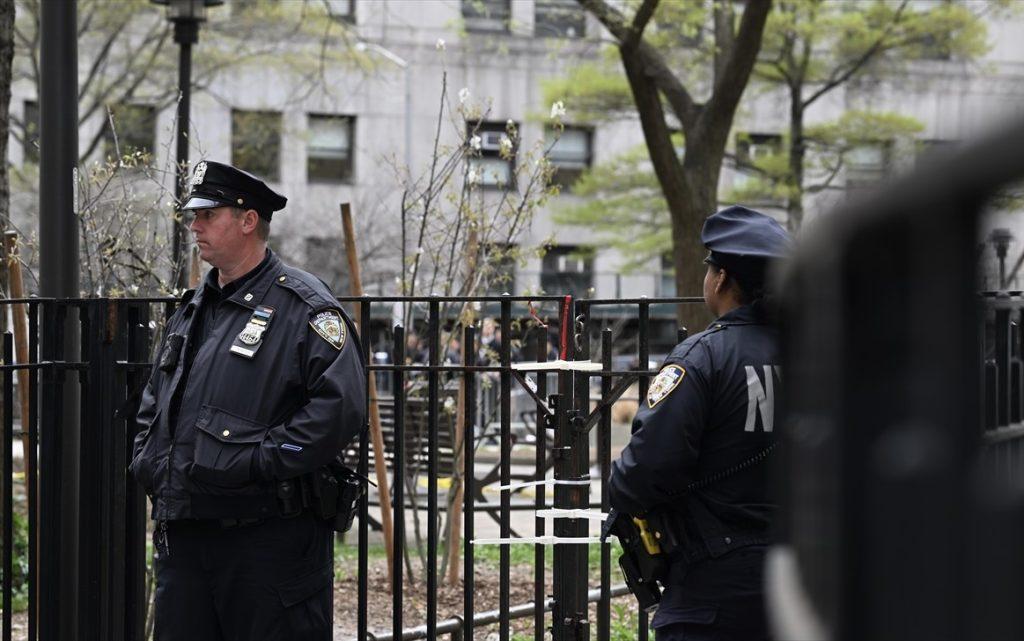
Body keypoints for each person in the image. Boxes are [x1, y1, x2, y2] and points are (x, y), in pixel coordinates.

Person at [129, 160, 367, 641]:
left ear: (247, 219)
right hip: (187, 537)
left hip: (268, 542)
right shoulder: (194, 309)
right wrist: (148, 458)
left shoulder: (305, 306)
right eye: (193, 215)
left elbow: (339, 410)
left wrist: (257, 462)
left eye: (207, 214)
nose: (194, 226)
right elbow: (156, 398)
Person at [608, 205, 791, 641]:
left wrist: (618, 481)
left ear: (722, 278)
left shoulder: (703, 357)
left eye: (710, 268)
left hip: (713, 583)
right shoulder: (822, 354)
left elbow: (642, 475)